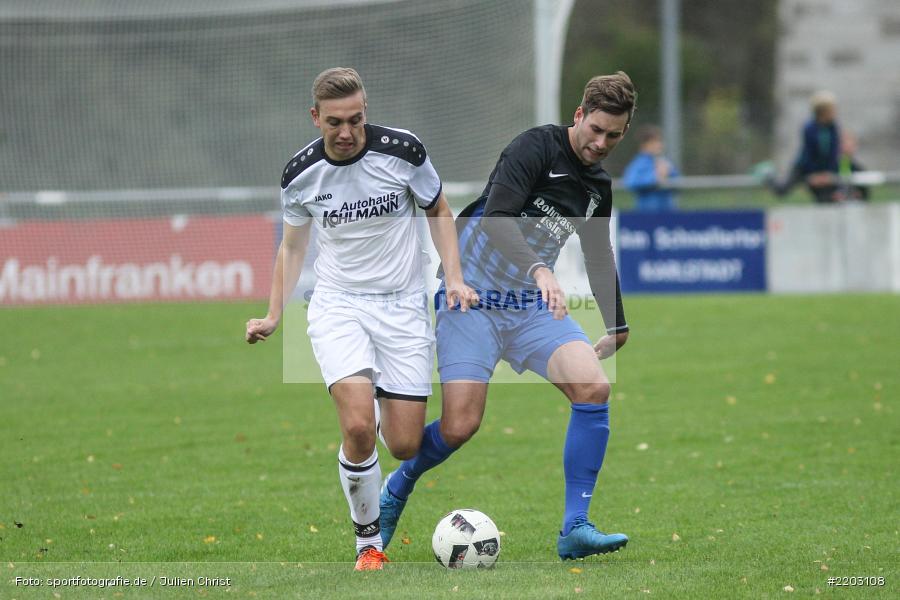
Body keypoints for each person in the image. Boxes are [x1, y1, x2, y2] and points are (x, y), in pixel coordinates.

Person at [379, 72, 635, 560]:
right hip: (470, 300)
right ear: (578, 115)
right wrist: (540, 268)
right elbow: (497, 215)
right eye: (596, 129)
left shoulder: (598, 186)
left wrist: (618, 325)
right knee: (459, 427)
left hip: (530, 309)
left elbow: (600, 254)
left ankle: (575, 528)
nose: (601, 143)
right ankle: (399, 484)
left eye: (614, 136)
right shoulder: (535, 147)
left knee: (594, 387)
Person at [245, 67, 477, 571]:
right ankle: (367, 545)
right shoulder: (300, 175)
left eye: (356, 119)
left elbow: (438, 209)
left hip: (403, 307)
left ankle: (377, 443)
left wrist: (453, 278)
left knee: (405, 444)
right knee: (356, 427)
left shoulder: (403, 151)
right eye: (335, 122)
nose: (347, 132)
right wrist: (272, 314)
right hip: (339, 305)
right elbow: (292, 247)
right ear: (315, 118)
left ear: (365, 111)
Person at [773, 90, 841, 203]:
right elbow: (808, 153)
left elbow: (833, 152)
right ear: (823, 111)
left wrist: (828, 172)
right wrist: (812, 175)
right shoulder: (809, 128)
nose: (835, 112)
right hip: (805, 168)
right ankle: (767, 175)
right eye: (832, 109)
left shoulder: (833, 128)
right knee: (782, 190)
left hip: (823, 169)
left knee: (827, 198)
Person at [622, 124, 679, 211]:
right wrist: (655, 178)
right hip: (647, 214)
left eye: (660, 141)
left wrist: (669, 176)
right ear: (645, 144)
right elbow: (630, 182)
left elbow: (677, 182)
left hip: (668, 211)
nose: (660, 145)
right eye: (655, 142)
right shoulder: (639, 163)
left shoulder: (664, 162)